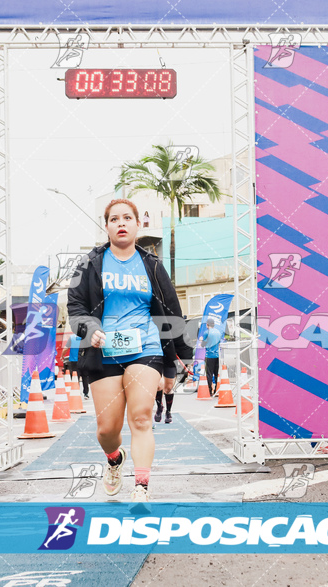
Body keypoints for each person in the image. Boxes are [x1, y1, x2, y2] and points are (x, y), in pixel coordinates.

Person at [68, 198, 192, 503]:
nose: (121, 223)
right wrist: (89, 329)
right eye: (114, 219)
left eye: (127, 218)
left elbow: (170, 312)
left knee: (140, 417)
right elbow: (75, 306)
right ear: (107, 226)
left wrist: (178, 361)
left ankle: (141, 487)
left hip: (145, 348)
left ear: (138, 225)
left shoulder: (152, 265)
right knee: (107, 429)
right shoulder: (87, 263)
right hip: (102, 352)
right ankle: (113, 458)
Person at [200, 317, 222, 396]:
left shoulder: (206, 332)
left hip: (209, 355)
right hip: (217, 356)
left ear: (207, 324)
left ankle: (210, 391)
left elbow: (203, 344)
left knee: (209, 374)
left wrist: (201, 339)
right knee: (216, 373)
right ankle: (217, 389)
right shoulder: (218, 332)